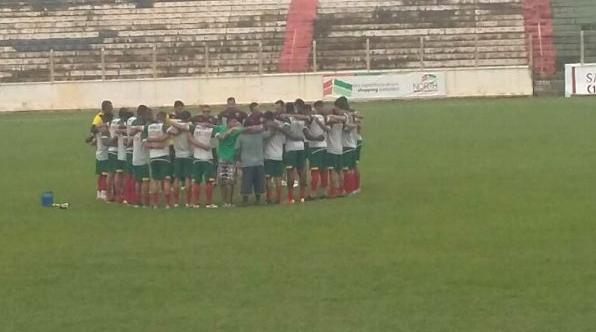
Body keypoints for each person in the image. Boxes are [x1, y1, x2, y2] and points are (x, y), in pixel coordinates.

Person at [235, 116, 267, 206]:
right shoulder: (260, 134)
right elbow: (269, 134)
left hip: (247, 163)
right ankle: (258, 200)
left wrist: (238, 160)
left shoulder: (241, 136)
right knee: (258, 182)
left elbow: (237, 150)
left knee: (246, 182)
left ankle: (245, 200)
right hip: (259, 162)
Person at [144, 111, 173, 208]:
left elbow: (145, 143)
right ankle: (167, 204)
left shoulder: (148, 127)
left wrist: (151, 142)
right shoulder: (164, 126)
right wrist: (159, 143)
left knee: (155, 180)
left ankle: (155, 204)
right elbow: (166, 137)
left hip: (153, 157)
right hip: (164, 156)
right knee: (166, 180)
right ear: (164, 118)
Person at [188, 115, 218, 208]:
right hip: (208, 158)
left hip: (197, 157)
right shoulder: (211, 130)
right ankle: (208, 203)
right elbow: (215, 141)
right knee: (209, 181)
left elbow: (190, 138)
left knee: (196, 181)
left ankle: (196, 203)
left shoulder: (193, 128)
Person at [213, 116, 243, 208]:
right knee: (222, 182)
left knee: (230, 182)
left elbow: (245, 130)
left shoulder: (236, 130)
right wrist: (230, 131)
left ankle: (230, 202)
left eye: (236, 122)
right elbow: (221, 138)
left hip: (231, 159)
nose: (235, 124)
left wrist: (237, 127)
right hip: (222, 159)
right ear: (228, 122)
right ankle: (224, 201)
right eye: (233, 122)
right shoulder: (220, 128)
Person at [167, 110, 194, 207]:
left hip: (177, 154)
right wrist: (180, 130)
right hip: (187, 154)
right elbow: (186, 128)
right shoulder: (189, 125)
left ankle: (176, 202)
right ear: (188, 118)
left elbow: (169, 131)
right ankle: (187, 201)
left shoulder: (174, 126)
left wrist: (176, 129)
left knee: (176, 178)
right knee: (187, 178)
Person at [263, 111, 289, 204]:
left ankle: (269, 198)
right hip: (279, 155)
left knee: (268, 178)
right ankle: (278, 198)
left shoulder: (266, 127)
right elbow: (287, 126)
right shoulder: (280, 126)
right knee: (278, 178)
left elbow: (264, 138)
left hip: (268, 155)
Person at [129, 106, 152, 207]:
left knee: (138, 181)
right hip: (144, 159)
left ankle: (138, 201)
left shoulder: (134, 125)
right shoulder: (145, 129)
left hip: (135, 158)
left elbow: (130, 138)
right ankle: (145, 202)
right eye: (148, 114)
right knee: (145, 181)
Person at [308, 100, 331, 199]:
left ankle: (313, 193)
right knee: (324, 170)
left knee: (315, 171)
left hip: (315, 147)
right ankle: (324, 192)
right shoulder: (326, 118)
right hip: (324, 146)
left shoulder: (314, 117)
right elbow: (328, 129)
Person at [325, 99, 348, 198]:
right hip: (340, 148)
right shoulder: (342, 120)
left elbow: (328, 122)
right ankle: (342, 190)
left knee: (333, 171)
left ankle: (335, 191)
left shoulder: (330, 120)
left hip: (332, 149)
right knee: (340, 170)